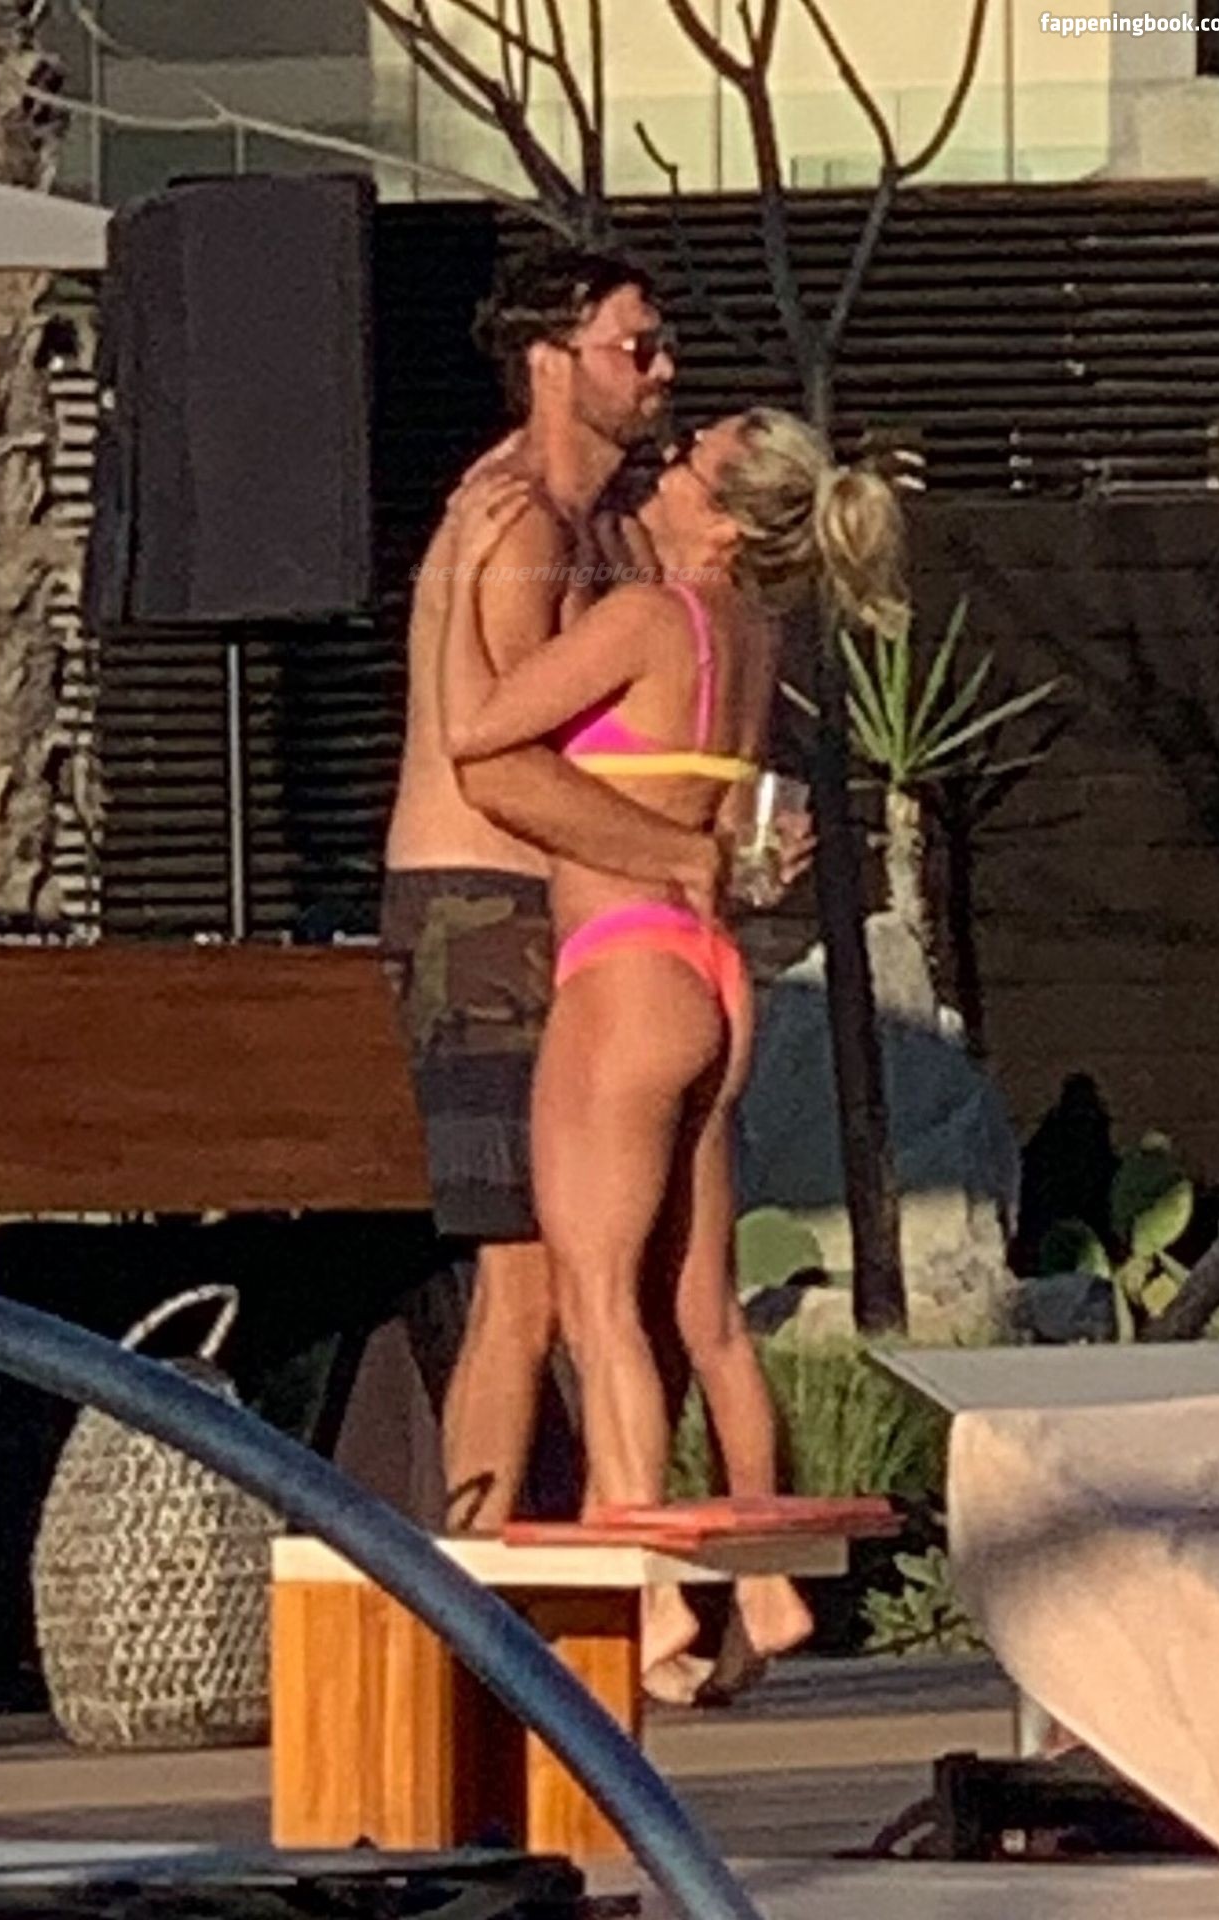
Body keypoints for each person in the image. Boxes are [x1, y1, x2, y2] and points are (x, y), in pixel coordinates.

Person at [444, 406, 907, 1693]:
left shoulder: (650, 619)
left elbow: (482, 732)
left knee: (597, 1303)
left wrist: (461, 602)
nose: (672, 451)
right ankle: (761, 1584)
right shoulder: (752, 638)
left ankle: (649, 1599)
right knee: (708, 1316)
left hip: (625, 967)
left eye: (695, 451)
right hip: (712, 973)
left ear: (721, 511)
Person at [378, 246, 724, 1531]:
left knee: (640, 1272)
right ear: (548, 361)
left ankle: (633, 1568)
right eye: (635, 347)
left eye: (663, 345)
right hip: (478, 907)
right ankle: (466, 1587)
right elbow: (497, 766)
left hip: (584, 912)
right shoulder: (515, 523)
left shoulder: (611, 528)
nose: (661, 370)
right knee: (523, 1282)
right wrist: (675, 855)